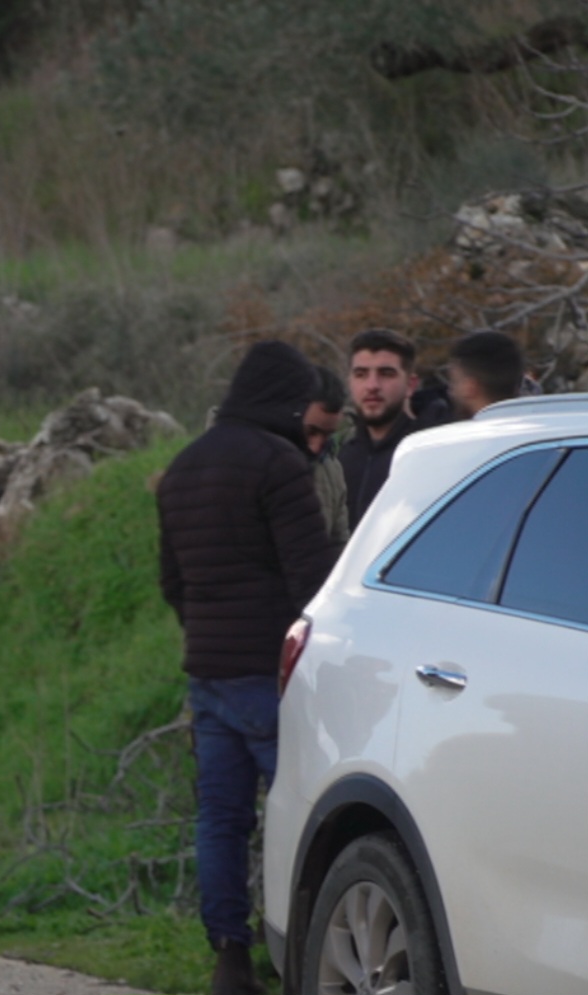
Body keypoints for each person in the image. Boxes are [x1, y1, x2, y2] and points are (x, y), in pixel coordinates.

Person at [157, 341, 340, 995]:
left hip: (207, 674)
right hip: (270, 675)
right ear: (286, 400)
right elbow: (311, 580)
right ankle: (305, 955)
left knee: (220, 819)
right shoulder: (279, 463)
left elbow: (172, 582)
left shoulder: (182, 467)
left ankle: (230, 958)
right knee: (301, 812)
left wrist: (209, 632)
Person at [338, 328, 427, 528]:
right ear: (350, 382)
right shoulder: (341, 459)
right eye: (361, 374)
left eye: (386, 374)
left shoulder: (426, 457)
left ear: (410, 385)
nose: (372, 385)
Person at [306, 365, 350, 545]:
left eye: (327, 435)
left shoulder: (332, 470)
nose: (316, 447)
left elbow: (339, 544)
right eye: (310, 432)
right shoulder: (257, 465)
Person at [444, 330, 527, 419]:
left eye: (454, 382)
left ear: (470, 387)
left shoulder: (458, 428)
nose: (451, 392)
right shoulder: (531, 421)